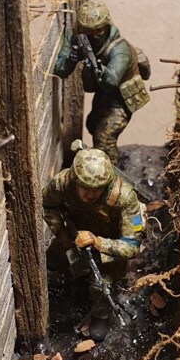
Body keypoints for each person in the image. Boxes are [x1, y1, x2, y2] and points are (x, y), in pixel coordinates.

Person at [42, 142, 146, 341]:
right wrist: (63, 235)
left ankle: (101, 315)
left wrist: (98, 243)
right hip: (75, 235)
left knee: (99, 284)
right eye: (85, 188)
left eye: (97, 189)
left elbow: (132, 246)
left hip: (110, 244)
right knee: (53, 261)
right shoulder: (62, 183)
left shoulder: (125, 198)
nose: (90, 195)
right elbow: (47, 205)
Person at [52, 1, 150, 163]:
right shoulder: (77, 37)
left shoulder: (120, 50)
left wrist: (99, 69)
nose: (93, 36)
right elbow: (60, 70)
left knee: (104, 138)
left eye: (98, 30)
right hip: (103, 96)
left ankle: (110, 172)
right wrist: (71, 59)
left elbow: (111, 81)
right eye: (87, 31)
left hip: (120, 101)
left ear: (107, 26)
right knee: (92, 125)